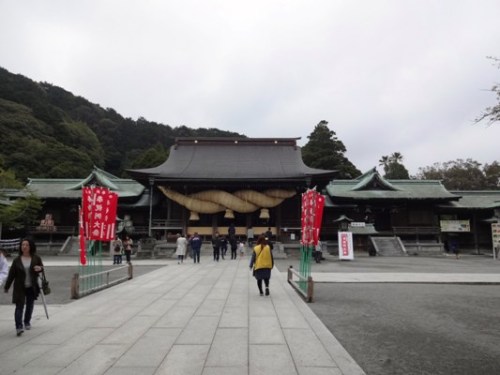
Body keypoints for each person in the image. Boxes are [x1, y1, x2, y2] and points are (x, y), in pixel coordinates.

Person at [3, 238, 44, 336]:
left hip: (31, 286)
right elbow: (11, 274)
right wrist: (7, 286)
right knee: (19, 306)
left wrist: (40, 268)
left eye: (27, 245)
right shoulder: (17, 260)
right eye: (22, 245)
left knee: (29, 305)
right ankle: (18, 327)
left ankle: (27, 321)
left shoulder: (36, 258)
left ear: (31, 247)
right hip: (19, 287)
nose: (24, 247)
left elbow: (41, 268)